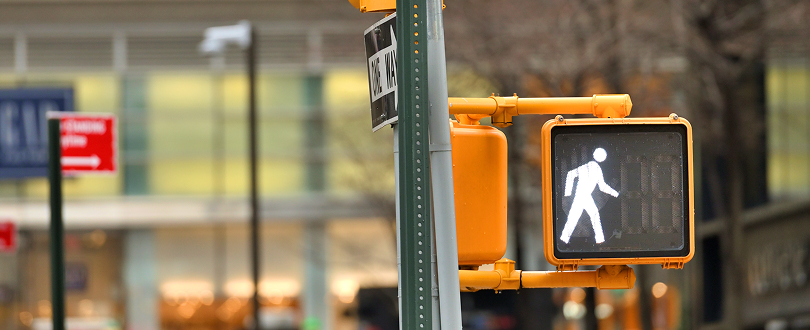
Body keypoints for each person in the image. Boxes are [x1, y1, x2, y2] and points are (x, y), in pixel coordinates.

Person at [560, 148, 619, 244]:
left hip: (585, 196)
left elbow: (602, 187)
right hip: (581, 196)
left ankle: (599, 239)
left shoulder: (592, 168)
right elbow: (602, 187)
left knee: (589, 215)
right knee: (580, 216)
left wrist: (615, 194)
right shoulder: (588, 168)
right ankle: (565, 238)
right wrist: (568, 192)